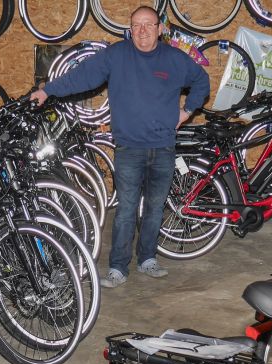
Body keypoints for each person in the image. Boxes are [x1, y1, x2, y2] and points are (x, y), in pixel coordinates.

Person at [30, 6, 210, 288]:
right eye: (136, 25)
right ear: (130, 28)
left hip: (163, 147)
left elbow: (201, 81)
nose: (142, 31)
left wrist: (186, 111)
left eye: (148, 25)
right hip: (129, 148)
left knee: (154, 207)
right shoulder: (116, 55)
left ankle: (148, 258)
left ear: (160, 28)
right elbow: (82, 76)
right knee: (126, 210)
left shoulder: (175, 59)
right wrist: (47, 90)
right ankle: (118, 267)